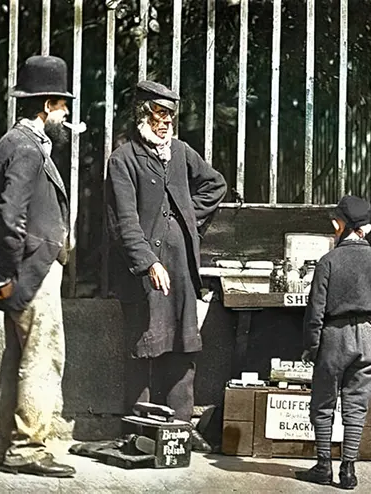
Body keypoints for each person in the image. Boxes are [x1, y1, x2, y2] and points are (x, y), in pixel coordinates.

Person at [106, 80, 227, 452]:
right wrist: (147, 262)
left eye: (171, 116)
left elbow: (215, 185)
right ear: (143, 115)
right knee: (145, 347)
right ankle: (139, 429)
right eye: (160, 114)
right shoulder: (122, 159)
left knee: (182, 345)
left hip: (181, 268)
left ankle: (179, 429)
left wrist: (187, 221)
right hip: (143, 274)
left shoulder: (181, 152)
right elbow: (123, 222)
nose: (166, 123)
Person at [0, 55, 76, 477]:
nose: (67, 113)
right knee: (42, 358)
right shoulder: (25, 148)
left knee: (17, 357)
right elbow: (9, 216)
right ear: (47, 105)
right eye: (63, 105)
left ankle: (8, 444)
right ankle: (27, 448)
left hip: (23, 272)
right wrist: (5, 274)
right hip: (31, 272)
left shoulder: (15, 142)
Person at [296, 195, 371, 489]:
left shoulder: (328, 262)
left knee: (324, 403)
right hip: (368, 338)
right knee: (357, 405)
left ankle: (324, 466)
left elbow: (315, 311)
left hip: (334, 337)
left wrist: (313, 347)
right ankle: (349, 470)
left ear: (340, 225)